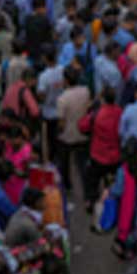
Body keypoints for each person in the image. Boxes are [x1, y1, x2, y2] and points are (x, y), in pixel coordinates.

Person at [80, 85, 123, 207]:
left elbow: (82, 126)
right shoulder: (120, 112)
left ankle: (91, 202)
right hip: (115, 155)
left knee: (92, 180)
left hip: (98, 155)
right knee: (114, 182)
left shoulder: (96, 114)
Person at [56, 65, 91, 199]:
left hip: (67, 136)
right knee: (82, 164)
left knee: (64, 164)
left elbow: (61, 123)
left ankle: (67, 187)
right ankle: (86, 190)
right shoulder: (85, 91)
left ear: (65, 80)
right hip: (82, 134)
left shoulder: (62, 99)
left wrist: (58, 132)